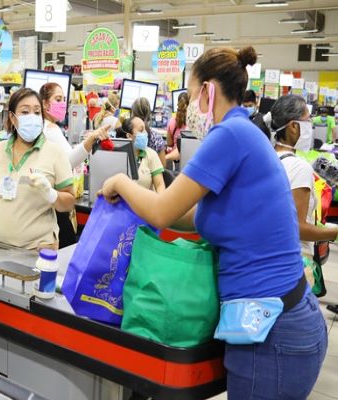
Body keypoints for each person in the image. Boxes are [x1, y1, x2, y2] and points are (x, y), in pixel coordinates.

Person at [100, 46, 327, 399]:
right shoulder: (245, 132)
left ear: (208, 90)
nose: (188, 106)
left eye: (190, 94)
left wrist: (120, 183)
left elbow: (161, 210)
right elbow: (189, 215)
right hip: (279, 319)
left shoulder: (229, 135)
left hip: (273, 331)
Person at [0, 88, 75, 250]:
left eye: (37, 112)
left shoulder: (55, 152)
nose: (32, 117)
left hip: (39, 249)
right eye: (25, 112)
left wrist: (51, 194)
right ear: (12, 117)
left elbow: (69, 203)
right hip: (0, 247)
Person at [272, 94, 338, 295]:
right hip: (294, 264)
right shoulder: (299, 167)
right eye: (308, 120)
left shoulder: (268, 158)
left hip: (270, 259)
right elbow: (298, 228)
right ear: (293, 126)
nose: (311, 126)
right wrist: (333, 232)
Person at [39, 83, 109, 247]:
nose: (62, 103)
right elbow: (67, 162)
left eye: (63, 99)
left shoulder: (43, 127)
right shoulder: (50, 128)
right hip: (57, 199)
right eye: (57, 99)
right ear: (44, 103)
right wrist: (91, 140)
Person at [116, 116, 165, 194]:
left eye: (145, 129)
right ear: (129, 136)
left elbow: (160, 185)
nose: (145, 133)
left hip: (146, 203)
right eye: (141, 130)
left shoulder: (151, 154)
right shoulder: (118, 155)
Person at [131, 97, 166, 166]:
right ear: (149, 114)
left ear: (132, 114)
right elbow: (163, 166)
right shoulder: (157, 138)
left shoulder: (128, 135)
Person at [165, 92, 188, 162]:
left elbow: (169, 143)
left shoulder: (172, 121)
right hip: (188, 158)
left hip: (175, 161)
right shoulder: (193, 122)